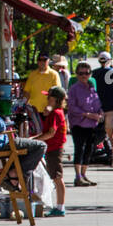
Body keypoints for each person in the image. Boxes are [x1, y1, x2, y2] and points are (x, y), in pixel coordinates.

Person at [67, 61, 104, 186]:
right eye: (81, 73)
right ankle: (77, 176)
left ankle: (83, 175)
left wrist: (100, 113)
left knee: (89, 149)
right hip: (79, 124)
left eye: (87, 73)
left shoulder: (92, 87)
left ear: (90, 74)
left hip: (92, 124)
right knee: (80, 149)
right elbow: (71, 107)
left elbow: (97, 103)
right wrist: (87, 114)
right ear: (77, 74)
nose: (84, 75)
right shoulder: (74, 89)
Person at [36, 86, 68, 216]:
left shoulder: (56, 113)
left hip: (54, 149)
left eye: (49, 97)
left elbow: (51, 132)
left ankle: (60, 207)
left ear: (55, 99)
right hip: (53, 148)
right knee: (56, 177)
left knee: (57, 178)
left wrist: (37, 139)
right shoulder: (56, 112)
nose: (47, 99)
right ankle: (59, 206)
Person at [92, 51, 113, 161]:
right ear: (109, 61)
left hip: (98, 108)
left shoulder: (94, 73)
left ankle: (107, 152)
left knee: (101, 133)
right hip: (112, 107)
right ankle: (111, 152)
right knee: (110, 133)